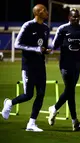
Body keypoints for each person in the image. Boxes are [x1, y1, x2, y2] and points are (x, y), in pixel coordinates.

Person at [1, 4, 50, 132]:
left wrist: (45, 51)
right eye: (44, 10)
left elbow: (41, 47)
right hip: (28, 66)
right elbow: (17, 44)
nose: (47, 12)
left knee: (41, 94)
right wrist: (35, 49)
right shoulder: (28, 25)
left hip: (41, 66)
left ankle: (31, 123)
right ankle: (9, 103)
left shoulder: (46, 28)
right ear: (37, 13)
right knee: (28, 95)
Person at [47, 8, 80, 131]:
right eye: (73, 17)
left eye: (77, 17)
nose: (76, 19)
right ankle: (58, 111)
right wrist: (49, 50)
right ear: (69, 17)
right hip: (65, 64)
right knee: (70, 90)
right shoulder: (63, 29)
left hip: (77, 64)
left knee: (70, 92)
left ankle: (73, 121)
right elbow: (55, 44)